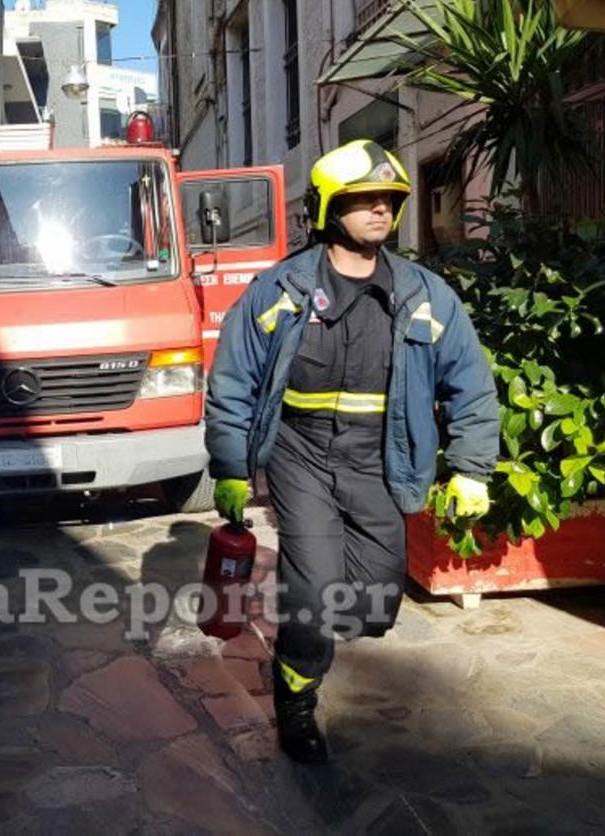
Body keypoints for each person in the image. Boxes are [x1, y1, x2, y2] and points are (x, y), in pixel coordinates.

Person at [204, 140, 499, 764]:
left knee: (373, 596)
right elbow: (233, 380)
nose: (379, 211)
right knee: (313, 592)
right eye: (362, 200)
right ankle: (296, 696)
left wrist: (472, 468)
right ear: (328, 208)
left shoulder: (425, 295)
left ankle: (313, 610)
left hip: (381, 453)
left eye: (388, 201)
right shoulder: (280, 290)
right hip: (300, 451)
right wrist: (231, 467)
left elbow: (469, 382)